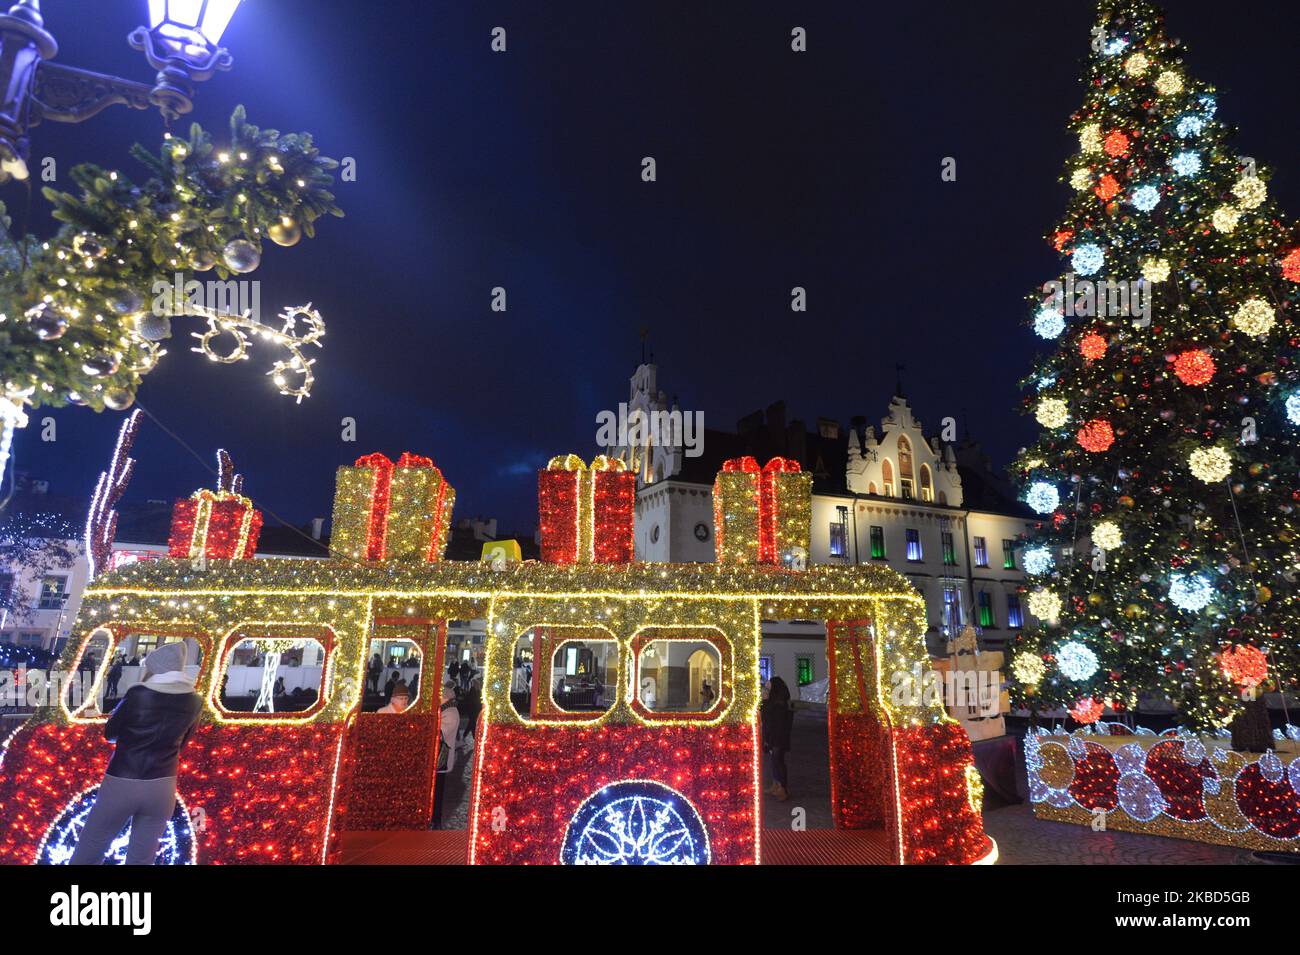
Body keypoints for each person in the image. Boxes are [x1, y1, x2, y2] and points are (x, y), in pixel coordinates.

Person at [69, 642, 203, 864]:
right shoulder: (195, 700)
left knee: (92, 845)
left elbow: (110, 733)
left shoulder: (138, 694)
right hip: (163, 787)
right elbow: (183, 743)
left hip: (123, 781)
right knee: (142, 858)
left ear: (156, 668)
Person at [431, 684, 461, 829]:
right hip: (437, 757)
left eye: (440, 697)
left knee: (437, 791)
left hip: (441, 758)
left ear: (445, 698)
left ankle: (436, 819)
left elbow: (441, 732)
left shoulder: (451, 712)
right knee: (435, 789)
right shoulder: (445, 710)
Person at [761, 677, 794, 801]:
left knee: (778, 761)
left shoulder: (779, 704)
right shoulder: (772, 701)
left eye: (768, 687)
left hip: (778, 738)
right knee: (774, 761)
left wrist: (771, 739)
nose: (766, 689)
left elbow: (777, 724)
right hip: (772, 737)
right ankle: (776, 784)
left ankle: (783, 788)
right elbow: (765, 716)